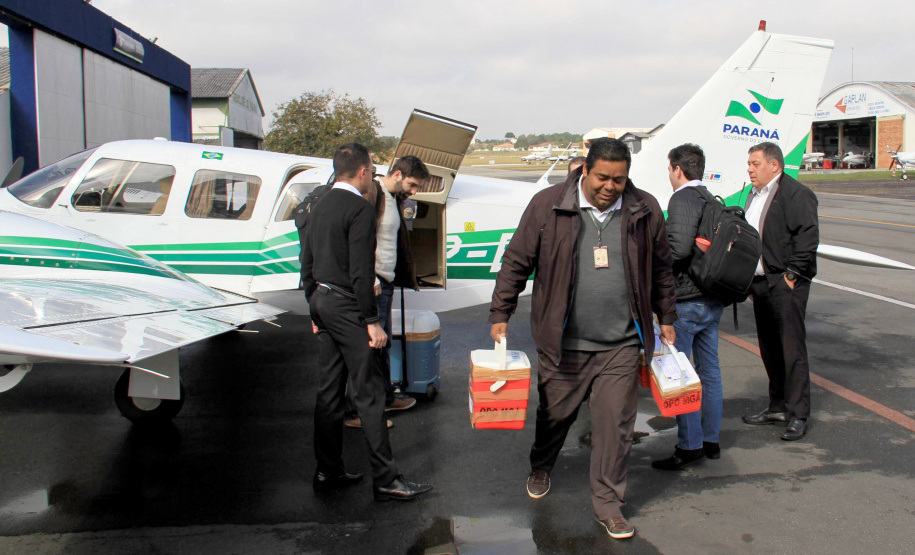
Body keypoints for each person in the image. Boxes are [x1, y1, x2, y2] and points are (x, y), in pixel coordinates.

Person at [489, 138, 677, 540]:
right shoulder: (547, 205)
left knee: (616, 427)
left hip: (623, 344)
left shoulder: (644, 208)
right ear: (585, 171)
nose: (610, 187)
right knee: (554, 417)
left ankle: (608, 505)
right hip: (564, 343)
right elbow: (516, 261)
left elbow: (661, 267)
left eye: (619, 179)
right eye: (603, 178)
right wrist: (500, 313)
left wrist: (668, 315)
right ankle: (542, 465)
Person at [301, 142, 432, 501]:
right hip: (349, 307)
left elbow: (307, 263)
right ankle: (386, 479)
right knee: (370, 394)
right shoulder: (358, 208)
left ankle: (327, 471)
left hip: (324, 302)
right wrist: (372, 321)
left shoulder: (319, 203)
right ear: (362, 171)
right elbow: (361, 273)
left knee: (328, 393)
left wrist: (314, 309)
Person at [651, 144, 726, 471]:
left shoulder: (682, 198)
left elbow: (678, 249)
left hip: (687, 300)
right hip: (712, 298)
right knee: (710, 372)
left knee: (679, 374)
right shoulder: (710, 197)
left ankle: (689, 445)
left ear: (678, 169)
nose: (670, 176)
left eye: (670, 170)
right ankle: (711, 440)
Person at [343, 156, 431, 428]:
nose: (414, 192)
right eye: (412, 185)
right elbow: (359, 238)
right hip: (375, 282)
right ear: (396, 174)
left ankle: (383, 397)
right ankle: (357, 413)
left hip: (386, 282)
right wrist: (368, 277)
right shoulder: (373, 194)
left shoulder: (393, 198)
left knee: (383, 346)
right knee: (368, 348)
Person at [740, 142, 819, 441]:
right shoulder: (754, 195)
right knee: (770, 349)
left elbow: (807, 237)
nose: (749, 169)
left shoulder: (796, 194)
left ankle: (798, 414)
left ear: (774, 165)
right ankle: (777, 406)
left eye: (755, 163)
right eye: (749, 163)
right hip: (760, 284)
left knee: (792, 350)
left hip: (785, 284)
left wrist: (792, 276)